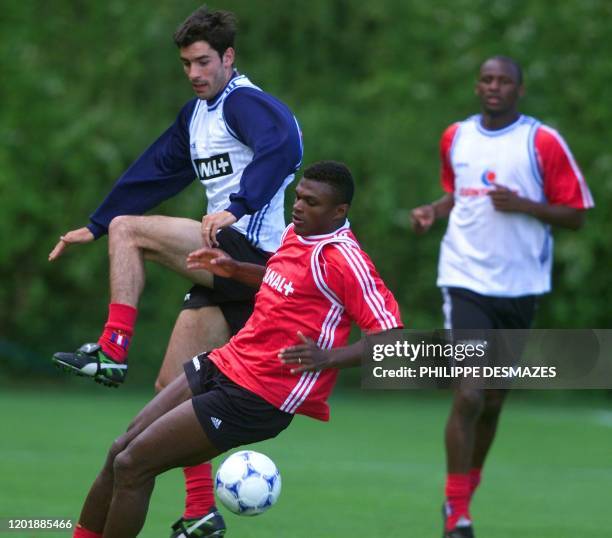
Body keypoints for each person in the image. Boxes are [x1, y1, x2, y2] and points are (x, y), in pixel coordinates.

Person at [50, 7, 302, 535]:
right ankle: (199, 512)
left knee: (130, 229)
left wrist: (237, 205)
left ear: (228, 57)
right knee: (173, 389)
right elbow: (154, 170)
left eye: (204, 61)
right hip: (223, 265)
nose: (194, 72)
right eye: (187, 63)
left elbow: (285, 147)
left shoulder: (246, 104)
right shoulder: (197, 116)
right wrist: (93, 226)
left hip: (253, 255)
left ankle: (113, 350)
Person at [70, 161, 403, 538]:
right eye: (298, 197)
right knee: (119, 451)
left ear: (339, 211)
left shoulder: (345, 260)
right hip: (226, 362)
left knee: (133, 465)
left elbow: (391, 337)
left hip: (259, 397)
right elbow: (281, 280)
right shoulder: (297, 233)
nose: (298, 207)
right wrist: (235, 269)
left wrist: (329, 359)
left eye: (311, 202)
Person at [410, 56, 594, 538]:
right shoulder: (456, 137)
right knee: (469, 392)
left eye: (504, 81)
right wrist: (434, 210)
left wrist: (525, 205)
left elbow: (576, 214)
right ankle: (457, 512)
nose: (494, 87)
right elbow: (458, 194)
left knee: (492, 400)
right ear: (478, 87)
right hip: (464, 276)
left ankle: (464, 494)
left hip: (520, 287)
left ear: (520, 90)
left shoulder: (542, 142)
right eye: (487, 80)